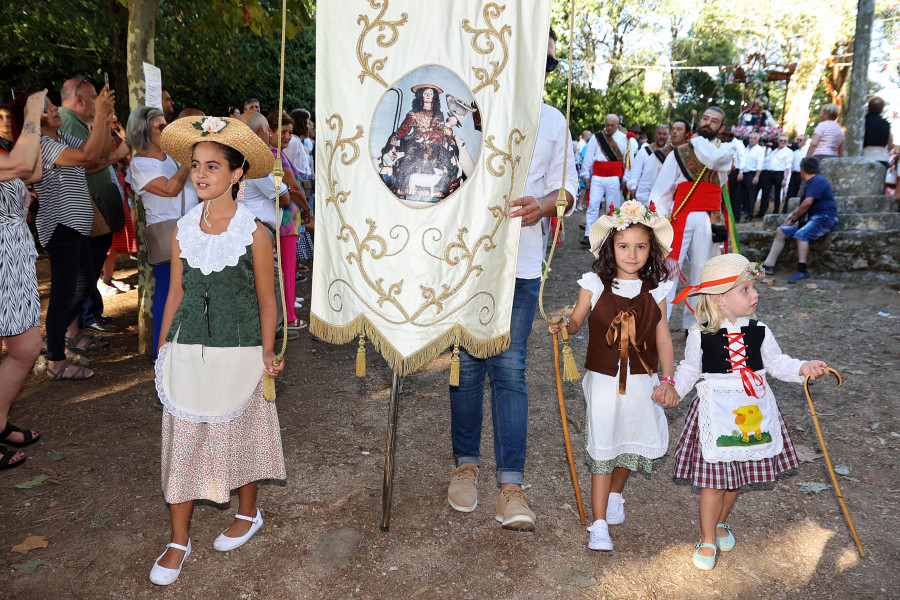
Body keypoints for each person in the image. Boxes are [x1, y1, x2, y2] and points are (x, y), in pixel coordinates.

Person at [446, 28, 577, 531]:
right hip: (464, 262)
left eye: (538, 65)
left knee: (511, 368)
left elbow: (566, 189)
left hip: (521, 268)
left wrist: (542, 206)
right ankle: (465, 467)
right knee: (467, 364)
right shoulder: (469, 109)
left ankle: (511, 486)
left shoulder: (553, 120)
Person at [149, 116, 287, 585]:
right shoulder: (183, 229)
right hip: (188, 346)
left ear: (236, 174)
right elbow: (175, 294)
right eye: (195, 165)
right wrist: (163, 347)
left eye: (213, 166)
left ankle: (248, 513)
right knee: (185, 437)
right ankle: (177, 539)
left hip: (241, 347)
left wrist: (267, 355)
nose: (202, 174)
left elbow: (267, 300)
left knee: (239, 431)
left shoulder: (256, 232)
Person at [669, 253, 830, 570]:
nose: (755, 294)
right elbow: (689, 369)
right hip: (716, 413)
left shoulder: (760, 331)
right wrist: (672, 389)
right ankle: (707, 538)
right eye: (745, 289)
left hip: (753, 410)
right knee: (714, 481)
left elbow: (778, 364)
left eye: (754, 288)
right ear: (718, 299)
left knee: (735, 479)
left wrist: (802, 368)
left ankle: (720, 522)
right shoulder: (698, 335)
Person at [549, 201, 678, 551]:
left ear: (651, 250)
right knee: (605, 439)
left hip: (643, 378)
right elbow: (576, 319)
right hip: (604, 378)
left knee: (632, 437)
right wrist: (566, 327)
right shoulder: (593, 283)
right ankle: (599, 522)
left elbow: (663, 338)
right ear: (610, 248)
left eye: (640, 247)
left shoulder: (658, 289)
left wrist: (668, 380)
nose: (632, 254)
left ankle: (616, 493)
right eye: (624, 246)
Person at [26, 86, 117, 379]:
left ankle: (54, 341)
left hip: (76, 225)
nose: (54, 110)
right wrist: (100, 113)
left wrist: (103, 121)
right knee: (65, 292)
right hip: (60, 228)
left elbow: (97, 152)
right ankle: (54, 361)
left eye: (52, 105)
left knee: (86, 282)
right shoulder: (42, 144)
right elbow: (90, 156)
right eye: (47, 108)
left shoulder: (61, 137)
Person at [649, 107, 735, 330]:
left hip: (710, 219)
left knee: (703, 271)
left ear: (721, 128)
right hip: (680, 216)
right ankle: (659, 324)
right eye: (705, 118)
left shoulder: (726, 155)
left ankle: (695, 326)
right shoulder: (679, 153)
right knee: (669, 269)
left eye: (714, 121)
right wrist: (660, 222)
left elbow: (721, 187)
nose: (708, 123)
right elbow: (661, 190)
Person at [59, 77, 132, 334]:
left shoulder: (78, 122)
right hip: (82, 210)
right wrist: (119, 153)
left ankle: (82, 322)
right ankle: (74, 328)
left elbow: (99, 155)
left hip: (94, 206)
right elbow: (89, 164)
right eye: (94, 98)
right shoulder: (67, 121)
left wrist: (101, 120)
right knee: (84, 275)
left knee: (90, 271)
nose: (98, 103)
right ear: (79, 99)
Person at [125, 106, 199, 358]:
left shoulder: (174, 157)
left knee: (190, 292)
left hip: (192, 230)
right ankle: (162, 355)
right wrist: (189, 160)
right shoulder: (139, 163)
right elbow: (169, 189)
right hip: (168, 236)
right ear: (143, 130)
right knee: (169, 292)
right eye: (160, 126)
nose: (166, 129)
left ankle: (184, 351)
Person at [0, 89, 47, 469]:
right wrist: (31, 116)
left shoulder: (4, 147)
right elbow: (18, 169)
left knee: (27, 346)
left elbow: (33, 171)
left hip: (13, 255)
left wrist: (30, 127)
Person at [266, 110, 311, 330]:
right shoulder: (274, 154)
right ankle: (289, 317)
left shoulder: (277, 153)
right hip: (285, 218)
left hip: (285, 217)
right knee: (286, 271)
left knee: (285, 270)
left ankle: (287, 315)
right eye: (283, 131)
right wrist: (307, 209)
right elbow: (293, 187)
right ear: (270, 131)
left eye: (290, 133)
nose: (287, 137)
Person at [760, 157, 838, 282]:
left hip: (824, 218)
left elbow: (808, 203)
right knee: (781, 231)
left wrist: (794, 219)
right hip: (812, 219)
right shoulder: (812, 182)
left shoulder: (817, 180)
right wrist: (793, 213)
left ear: (802, 169)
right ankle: (768, 265)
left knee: (801, 235)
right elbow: (804, 204)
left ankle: (802, 271)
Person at [580, 114, 628, 245]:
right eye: (607, 124)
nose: (609, 127)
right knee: (593, 204)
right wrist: (586, 174)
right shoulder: (597, 138)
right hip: (597, 176)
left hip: (614, 176)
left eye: (612, 125)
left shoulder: (624, 139)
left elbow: (626, 160)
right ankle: (589, 234)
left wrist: (626, 177)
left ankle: (612, 234)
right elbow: (589, 157)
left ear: (618, 125)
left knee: (613, 206)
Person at [756, 134, 792, 217]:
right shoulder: (773, 150)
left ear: (787, 142)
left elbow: (788, 166)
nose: (782, 142)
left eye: (784, 141)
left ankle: (776, 212)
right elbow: (766, 159)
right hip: (769, 172)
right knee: (765, 193)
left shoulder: (788, 152)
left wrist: (785, 178)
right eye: (780, 140)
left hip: (779, 173)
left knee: (777, 194)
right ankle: (762, 212)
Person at [718, 125, 745, 222]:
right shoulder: (721, 143)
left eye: (723, 135)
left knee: (733, 195)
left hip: (734, 172)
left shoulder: (737, 144)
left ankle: (734, 216)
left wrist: (741, 172)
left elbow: (742, 157)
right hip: (722, 171)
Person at [740, 132, 764, 222]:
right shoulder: (745, 149)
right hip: (743, 173)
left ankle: (750, 215)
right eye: (750, 138)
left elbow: (759, 164)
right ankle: (743, 210)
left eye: (754, 138)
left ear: (758, 140)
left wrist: (757, 176)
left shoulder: (760, 150)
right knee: (742, 195)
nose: (752, 140)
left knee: (751, 196)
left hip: (752, 174)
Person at [863, 96, 892, 167]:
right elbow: (890, 144)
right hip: (882, 158)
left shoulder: (862, 122)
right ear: (881, 109)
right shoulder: (886, 124)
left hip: (864, 157)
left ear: (868, 107)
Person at [786, 134, 809, 209]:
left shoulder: (807, 151)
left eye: (800, 140)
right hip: (794, 174)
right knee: (790, 192)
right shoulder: (794, 151)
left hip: (802, 174)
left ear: (805, 142)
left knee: (801, 192)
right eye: (797, 140)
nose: (798, 142)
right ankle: (786, 209)